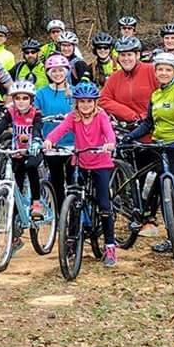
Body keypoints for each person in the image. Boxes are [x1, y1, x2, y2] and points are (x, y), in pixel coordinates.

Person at [123, 52, 174, 265]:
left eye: (168, 69)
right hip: (158, 147)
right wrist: (129, 136)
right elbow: (148, 123)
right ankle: (170, 236)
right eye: (160, 69)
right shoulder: (155, 95)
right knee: (158, 192)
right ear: (156, 71)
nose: (164, 73)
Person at [44, 82, 119, 267]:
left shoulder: (101, 116)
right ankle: (71, 240)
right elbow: (60, 130)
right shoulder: (73, 117)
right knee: (74, 200)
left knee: (103, 204)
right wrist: (49, 140)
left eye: (89, 101)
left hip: (100, 162)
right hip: (80, 161)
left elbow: (110, 134)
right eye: (82, 102)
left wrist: (109, 143)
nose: (85, 105)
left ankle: (110, 246)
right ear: (76, 103)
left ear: (95, 103)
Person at [0, 80, 45, 223]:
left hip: (33, 151)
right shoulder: (11, 112)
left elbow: (37, 129)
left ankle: (36, 202)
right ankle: (15, 222)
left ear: (31, 100)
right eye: (17, 98)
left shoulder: (36, 113)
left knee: (30, 167)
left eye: (25, 98)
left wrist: (36, 141)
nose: (21, 102)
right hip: (17, 151)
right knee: (16, 182)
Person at [34, 55, 75, 195]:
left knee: (73, 182)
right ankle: (59, 213)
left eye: (60, 71)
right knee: (56, 181)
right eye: (54, 71)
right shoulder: (41, 93)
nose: (57, 74)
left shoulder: (75, 92)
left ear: (66, 71)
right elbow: (35, 114)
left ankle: (74, 214)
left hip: (73, 144)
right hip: (51, 145)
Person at [99, 36, 157, 127]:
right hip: (127, 128)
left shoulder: (151, 71)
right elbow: (103, 100)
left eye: (129, 54)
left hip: (153, 127)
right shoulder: (114, 77)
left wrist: (147, 115)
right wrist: (129, 115)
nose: (126, 59)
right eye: (122, 55)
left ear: (137, 55)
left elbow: (166, 94)